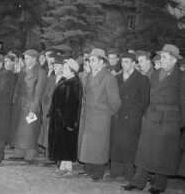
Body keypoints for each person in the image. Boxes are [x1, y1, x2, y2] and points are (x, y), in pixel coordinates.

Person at [122, 44, 184, 194]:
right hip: (151, 117)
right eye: (161, 56)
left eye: (163, 57)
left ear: (173, 60)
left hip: (169, 120)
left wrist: (179, 124)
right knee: (144, 152)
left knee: (163, 154)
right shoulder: (156, 74)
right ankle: (138, 182)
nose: (160, 60)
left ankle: (159, 185)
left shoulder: (181, 78)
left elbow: (183, 101)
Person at [78, 48, 121, 181]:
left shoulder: (108, 78)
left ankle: (98, 171)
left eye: (93, 61)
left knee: (98, 146)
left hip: (100, 116)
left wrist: (106, 113)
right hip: (87, 115)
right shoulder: (87, 76)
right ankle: (88, 168)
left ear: (102, 62)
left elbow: (115, 102)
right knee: (87, 143)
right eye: (90, 61)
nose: (91, 64)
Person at [109, 52, 150, 181]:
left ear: (133, 63)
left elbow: (145, 101)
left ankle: (128, 174)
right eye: (122, 62)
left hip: (132, 118)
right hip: (118, 115)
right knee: (116, 144)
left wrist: (134, 113)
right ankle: (115, 172)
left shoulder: (142, 79)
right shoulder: (117, 78)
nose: (124, 64)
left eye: (127, 62)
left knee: (130, 147)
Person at [10, 49, 47, 163]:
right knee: (18, 129)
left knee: (29, 130)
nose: (25, 60)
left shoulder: (40, 72)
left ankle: (29, 155)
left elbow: (39, 92)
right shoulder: (23, 70)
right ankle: (18, 152)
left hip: (30, 104)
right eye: (25, 58)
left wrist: (34, 108)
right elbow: (17, 87)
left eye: (27, 58)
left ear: (34, 59)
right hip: (20, 103)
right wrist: (14, 100)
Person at [48, 58, 83, 177]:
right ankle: (66, 166)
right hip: (59, 118)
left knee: (65, 143)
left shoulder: (73, 84)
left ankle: (64, 166)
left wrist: (69, 122)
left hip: (66, 119)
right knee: (63, 143)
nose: (63, 70)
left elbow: (73, 105)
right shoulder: (66, 81)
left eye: (66, 69)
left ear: (73, 71)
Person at [38, 53, 63, 166]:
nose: (53, 66)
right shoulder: (51, 78)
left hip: (59, 112)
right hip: (48, 110)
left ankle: (58, 158)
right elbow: (45, 95)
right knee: (48, 134)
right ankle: (49, 157)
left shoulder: (65, 79)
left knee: (58, 135)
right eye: (53, 64)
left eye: (56, 65)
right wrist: (45, 108)